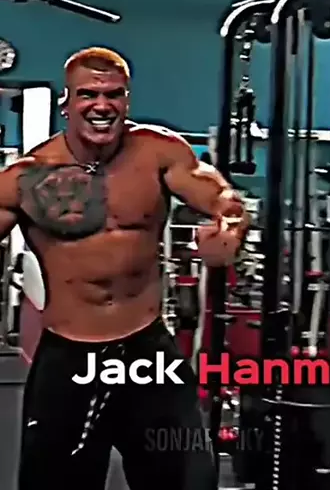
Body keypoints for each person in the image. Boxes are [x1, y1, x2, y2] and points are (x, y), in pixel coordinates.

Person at [0, 47, 249, 490]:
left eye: (113, 94)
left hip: (146, 349)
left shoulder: (158, 152)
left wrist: (229, 232)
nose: (101, 105)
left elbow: (225, 200)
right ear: (66, 103)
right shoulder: (26, 178)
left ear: (127, 101)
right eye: (88, 94)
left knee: (188, 481)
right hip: (70, 355)